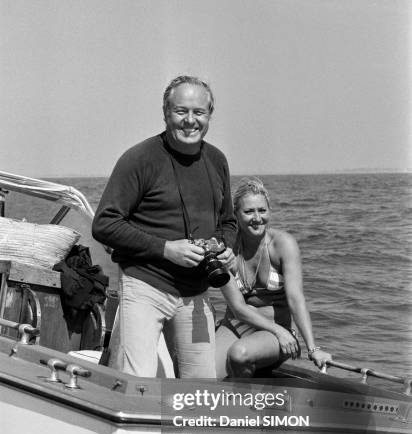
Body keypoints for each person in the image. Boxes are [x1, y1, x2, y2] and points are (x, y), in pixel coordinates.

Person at [92, 75, 236, 378]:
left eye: (199, 112)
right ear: (165, 113)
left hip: (196, 296)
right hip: (145, 287)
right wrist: (166, 249)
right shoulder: (139, 159)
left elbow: (229, 222)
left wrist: (225, 247)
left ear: (210, 115)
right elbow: (105, 224)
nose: (190, 121)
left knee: (201, 393)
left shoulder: (217, 161)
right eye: (181, 111)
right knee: (137, 383)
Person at [215, 177, 331, 377]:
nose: (257, 218)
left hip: (277, 333)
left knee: (239, 354)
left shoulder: (283, 244)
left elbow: (296, 299)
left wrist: (312, 348)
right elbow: (238, 308)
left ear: (270, 211)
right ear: (235, 214)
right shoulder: (226, 248)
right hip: (236, 324)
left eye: (262, 210)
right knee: (203, 374)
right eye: (248, 211)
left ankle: (246, 403)